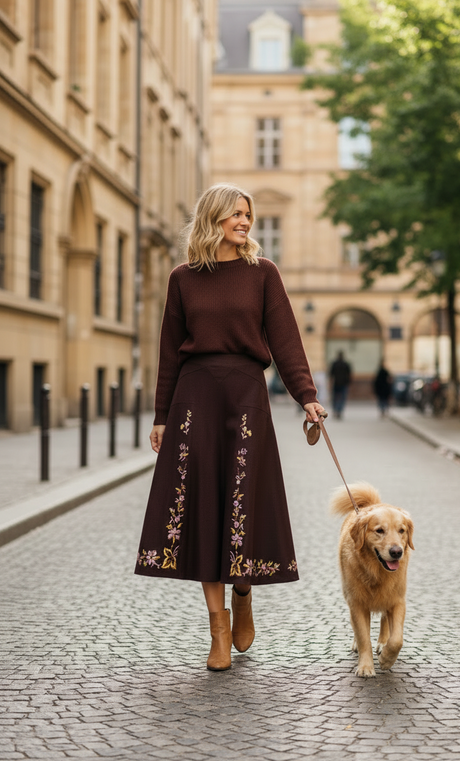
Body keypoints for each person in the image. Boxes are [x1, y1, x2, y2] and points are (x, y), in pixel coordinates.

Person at [135, 183, 325, 672]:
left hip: (245, 397)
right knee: (202, 510)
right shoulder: (183, 278)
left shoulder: (263, 273)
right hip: (194, 398)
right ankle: (217, 628)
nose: (245, 222)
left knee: (242, 501)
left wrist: (307, 396)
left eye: (248, 215)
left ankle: (243, 591)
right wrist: (161, 415)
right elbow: (169, 351)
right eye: (236, 214)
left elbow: (286, 340)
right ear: (213, 218)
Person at [329, 351, 352, 418]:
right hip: (343, 384)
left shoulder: (335, 364)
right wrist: (349, 383)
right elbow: (349, 375)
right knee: (342, 398)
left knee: (335, 398)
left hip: (336, 383)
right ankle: (339, 410)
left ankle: (335, 410)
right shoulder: (346, 364)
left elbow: (331, 374)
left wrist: (330, 383)